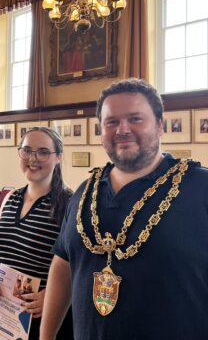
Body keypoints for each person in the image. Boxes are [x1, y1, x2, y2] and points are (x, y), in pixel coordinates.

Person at [40, 79, 208, 340]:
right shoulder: (84, 192)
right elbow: (63, 265)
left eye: (135, 119)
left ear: (160, 125)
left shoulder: (200, 187)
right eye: (111, 122)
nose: (123, 129)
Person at [0, 127, 73, 339]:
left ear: (58, 157)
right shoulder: (11, 198)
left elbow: (79, 264)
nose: (33, 158)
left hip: (44, 313)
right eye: (27, 150)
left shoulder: (69, 202)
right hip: (6, 310)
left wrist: (50, 295)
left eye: (43, 152)